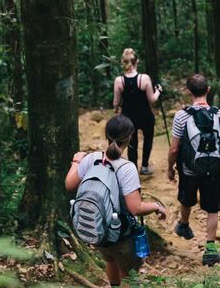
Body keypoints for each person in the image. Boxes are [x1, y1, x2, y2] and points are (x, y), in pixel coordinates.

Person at [65, 115, 168, 287]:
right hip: (120, 233)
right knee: (129, 272)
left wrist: (76, 161)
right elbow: (135, 208)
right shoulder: (127, 168)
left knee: (110, 260)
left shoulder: (92, 159)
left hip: (97, 227)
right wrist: (156, 206)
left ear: (107, 135)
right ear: (130, 137)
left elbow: (69, 184)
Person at [167, 74, 220, 266]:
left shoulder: (181, 116)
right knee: (212, 209)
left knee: (186, 197)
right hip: (211, 169)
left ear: (188, 92)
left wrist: (170, 168)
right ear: (208, 90)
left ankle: (183, 225)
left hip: (188, 168)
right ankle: (210, 251)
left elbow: (174, 148)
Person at [112, 48, 162, 175]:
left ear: (123, 62)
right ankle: (145, 166)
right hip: (145, 115)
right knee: (148, 139)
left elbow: (115, 103)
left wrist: (117, 110)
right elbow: (152, 100)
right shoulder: (144, 78)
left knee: (131, 142)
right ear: (137, 61)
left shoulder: (119, 80)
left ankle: (133, 168)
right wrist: (158, 91)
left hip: (128, 117)